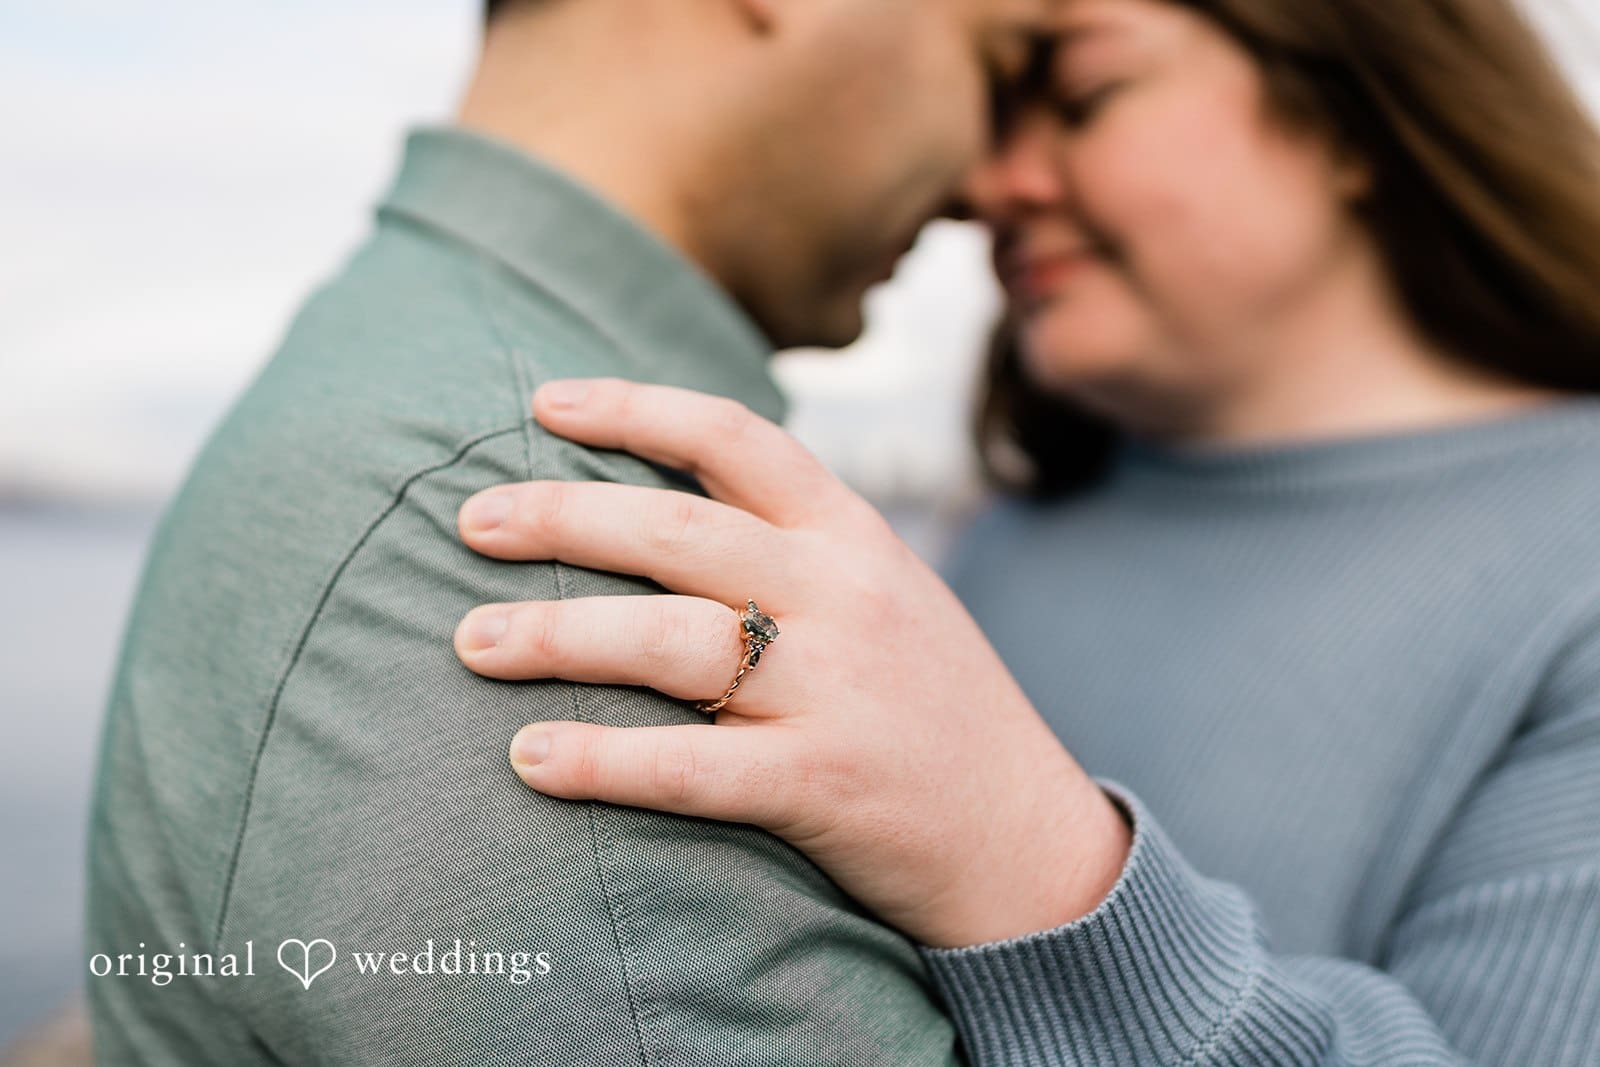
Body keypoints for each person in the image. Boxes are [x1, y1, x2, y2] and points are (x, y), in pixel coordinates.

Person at [444, 0, 1600, 1064]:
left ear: (1353, 113)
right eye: (995, 118)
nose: (992, 185)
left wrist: (1029, 856)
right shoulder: (1002, 536)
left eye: (1085, 98)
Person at [82, 0, 1062, 1062]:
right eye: (1000, 66)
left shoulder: (419, 385)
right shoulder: (538, 544)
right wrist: (1045, 858)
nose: (989, 187)